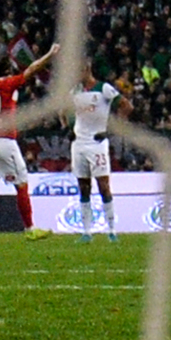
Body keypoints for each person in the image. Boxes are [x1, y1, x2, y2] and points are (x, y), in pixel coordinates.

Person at [0, 42, 58, 241]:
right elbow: (33, 69)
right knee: (21, 184)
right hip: (5, 142)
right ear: (9, 70)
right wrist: (50, 54)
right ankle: (30, 229)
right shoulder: (9, 84)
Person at [68, 60, 121, 241]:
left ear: (87, 69)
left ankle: (112, 230)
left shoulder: (103, 88)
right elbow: (65, 110)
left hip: (97, 144)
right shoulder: (74, 92)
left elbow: (126, 106)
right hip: (79, 144)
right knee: (84, 187)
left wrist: (110, 130)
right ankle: (86, 232)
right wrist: (69, 127)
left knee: (103, 186)